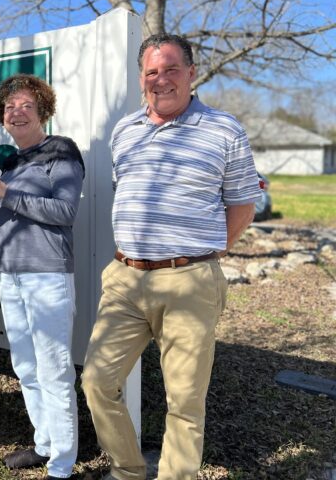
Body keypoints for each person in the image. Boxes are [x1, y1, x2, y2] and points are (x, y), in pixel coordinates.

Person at [81, 33, 260, 480]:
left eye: (171, 69)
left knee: (183, 401)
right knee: (97, 382)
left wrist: (210, 251)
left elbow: (242, 202)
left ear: (192, 73)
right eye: (151, 72)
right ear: (142, 79)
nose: (161, 80)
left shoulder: (223, 129)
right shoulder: (124, 131)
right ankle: (128, 471)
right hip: (125, 277)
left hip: (188, 281)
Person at [0, 74, 85, 480]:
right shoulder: (10, 161)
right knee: (25, 366)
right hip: (11, 275)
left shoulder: (61, 150)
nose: (16, 112)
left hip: (48, 275)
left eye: (25, 105)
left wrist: (7, 194)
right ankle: (44, 444)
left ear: (42, 109)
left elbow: (65, 212)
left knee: (55, 368)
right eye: (9, 107)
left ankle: (62, 464)